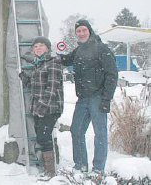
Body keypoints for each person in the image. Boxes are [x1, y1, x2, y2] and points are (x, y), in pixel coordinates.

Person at [60, 19, 118, 176]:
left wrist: (106, 99)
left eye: (83, 30)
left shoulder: (101, 49)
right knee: (76, 130)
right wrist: (48, 56)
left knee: (100, 133)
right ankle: (80, 166)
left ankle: (98, 169)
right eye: (78, 31)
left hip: (98, 97)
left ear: (89, 31)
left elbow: (112, 75)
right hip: (83, 99)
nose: (81, 33)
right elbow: (64, 60)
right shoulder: (78, 51)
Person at [20, 36, 64, 178]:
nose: (38, 48)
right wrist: (25, 79)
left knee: (44, 138)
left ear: (47, 48)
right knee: (42, 137)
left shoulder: (53, 62)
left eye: (41, 45)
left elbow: (52, 88)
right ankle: (48, 169)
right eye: (35, 46)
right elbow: (36, 86)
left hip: (50, 108)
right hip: (39, 108)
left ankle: (50, 172)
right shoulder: (39, 63)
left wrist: (41, 109)